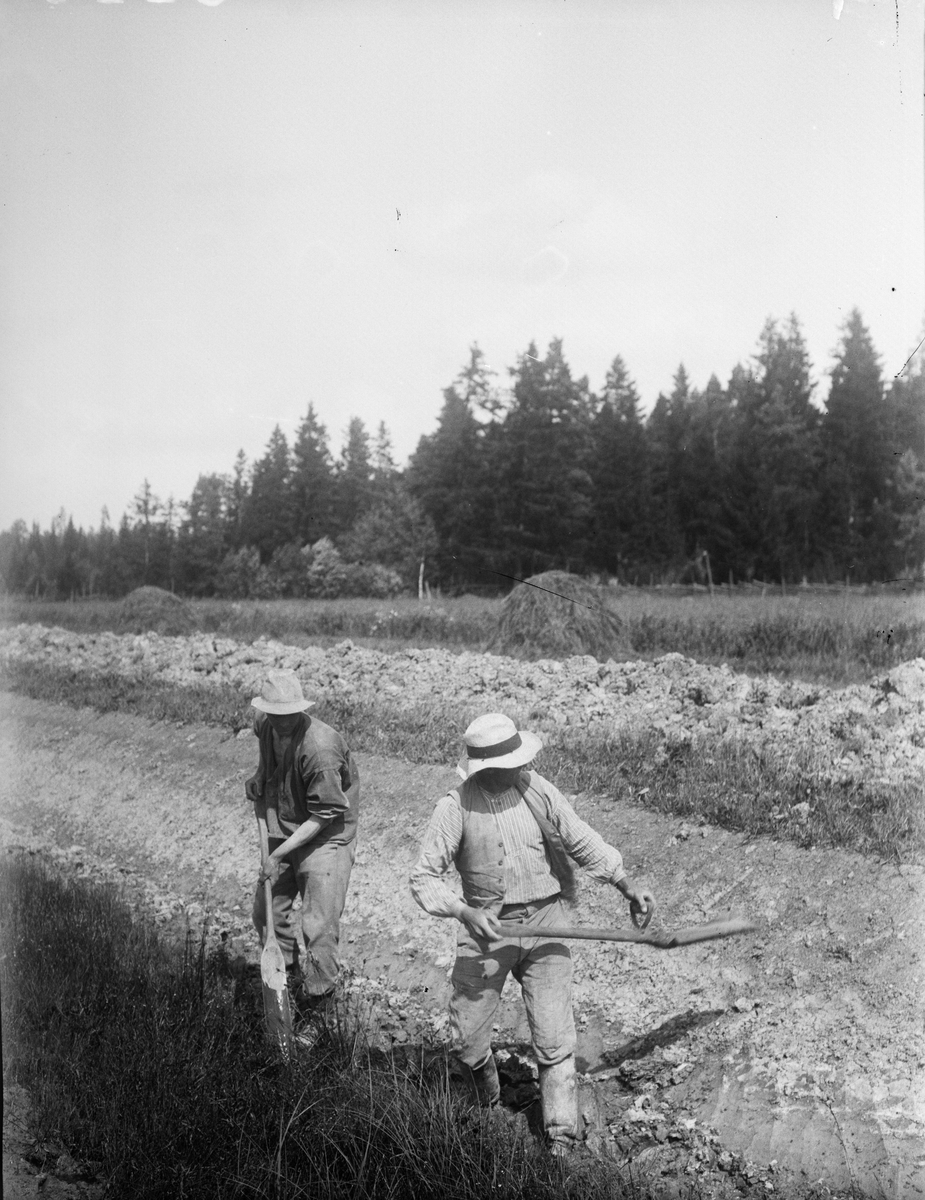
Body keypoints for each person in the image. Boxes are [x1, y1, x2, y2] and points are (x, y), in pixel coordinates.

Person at [409, 712, 655, 1154]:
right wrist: (464, 910)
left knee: (555, 1034)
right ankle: (483, 1106)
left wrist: (626, 883)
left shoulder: (537, 789)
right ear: (487, 768)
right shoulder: (455, 806)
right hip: (487, 928)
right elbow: (423, 878)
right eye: (512, 763)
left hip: (547, 921)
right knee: (466, 1038)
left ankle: (561, 1135)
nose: (522, 767)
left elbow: (579, 837)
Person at [245, 668, 359, 1046]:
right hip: (286, 822)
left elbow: (326, 813)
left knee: (318, 925)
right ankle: (288, 985)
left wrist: (278, 853)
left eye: (291, 713)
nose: (284, 721)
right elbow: (268, 765)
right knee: (267, 914)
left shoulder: (320, 748)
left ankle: (318, 1010)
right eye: (277, 715)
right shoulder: (265, 723)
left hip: (326, 837)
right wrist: (260, 777)